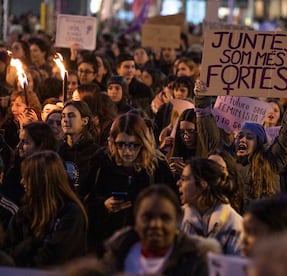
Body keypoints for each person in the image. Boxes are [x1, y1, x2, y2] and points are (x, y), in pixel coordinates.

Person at [194, 81, 287, 212]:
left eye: (250, 137)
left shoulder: (271, 161)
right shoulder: (226, 158)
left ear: (259, 143)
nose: (243, 139)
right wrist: (201, 98)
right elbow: (208, 130)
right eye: (240, 135)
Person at [85, 109, 175, 254]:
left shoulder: (157, 166)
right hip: (107, 242)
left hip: (145, 242)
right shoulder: (101, 162)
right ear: (113, 142)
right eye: (121, 144)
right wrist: (103, 206)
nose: (127, 151)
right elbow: (83, 200)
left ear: (143, 143)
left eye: (133, 145)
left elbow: (172, 202)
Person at [102, 185, 220, 275]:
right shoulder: (117, 254)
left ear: (178, 219)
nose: (155, 225)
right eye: (147, 217)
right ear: (136, 217)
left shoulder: (195, 262)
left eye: (165, 218)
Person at [3, 150, 88, 267]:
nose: (22, 182)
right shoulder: (25, 211)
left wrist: (22, 259)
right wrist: (30, 244)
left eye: (27, 177)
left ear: (43, 180)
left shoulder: (71, 213)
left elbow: (53, 257)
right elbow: (7, 250)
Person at [177, 158, 243, 255]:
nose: (178, 183)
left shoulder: (234, 226)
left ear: (203, 184)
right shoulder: (178, 218)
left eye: (184, 179)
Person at [1, 121, 57, 206]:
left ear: (41, 145)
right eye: (19, 140)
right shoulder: (15, 167)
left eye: (25, 142)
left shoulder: (50, 172)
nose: (18, 146)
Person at [59, 100, 100, 197]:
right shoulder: (58, 150)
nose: (65, 120)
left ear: (84, 121)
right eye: (63, 116)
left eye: (71, 116)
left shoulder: (95, 153)